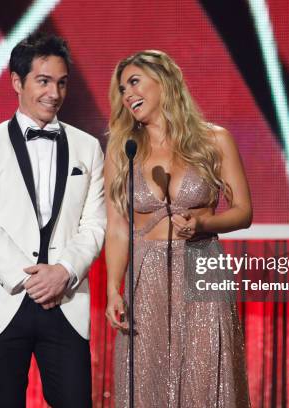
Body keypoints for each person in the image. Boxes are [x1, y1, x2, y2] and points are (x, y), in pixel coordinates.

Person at [0, 33, 105, 408]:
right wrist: (30, 279)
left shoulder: (88, 147)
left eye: (62, 82)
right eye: (43, 81)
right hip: (1, 297)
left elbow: (95, 224)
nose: (54, 93)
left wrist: (63, 271)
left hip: (65, 298)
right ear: (17, 82)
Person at [104, 50, 252, 407]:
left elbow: (243, 211)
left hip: (202, 268)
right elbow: (117, 226)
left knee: (207, 379)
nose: (127, 94)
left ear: (165, 82)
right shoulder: (122, 149)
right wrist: (113, 287)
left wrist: (204, 222)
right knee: (147, 382)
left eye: (135, 82)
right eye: (123, 88)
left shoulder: (215, 141)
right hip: (146, 277)